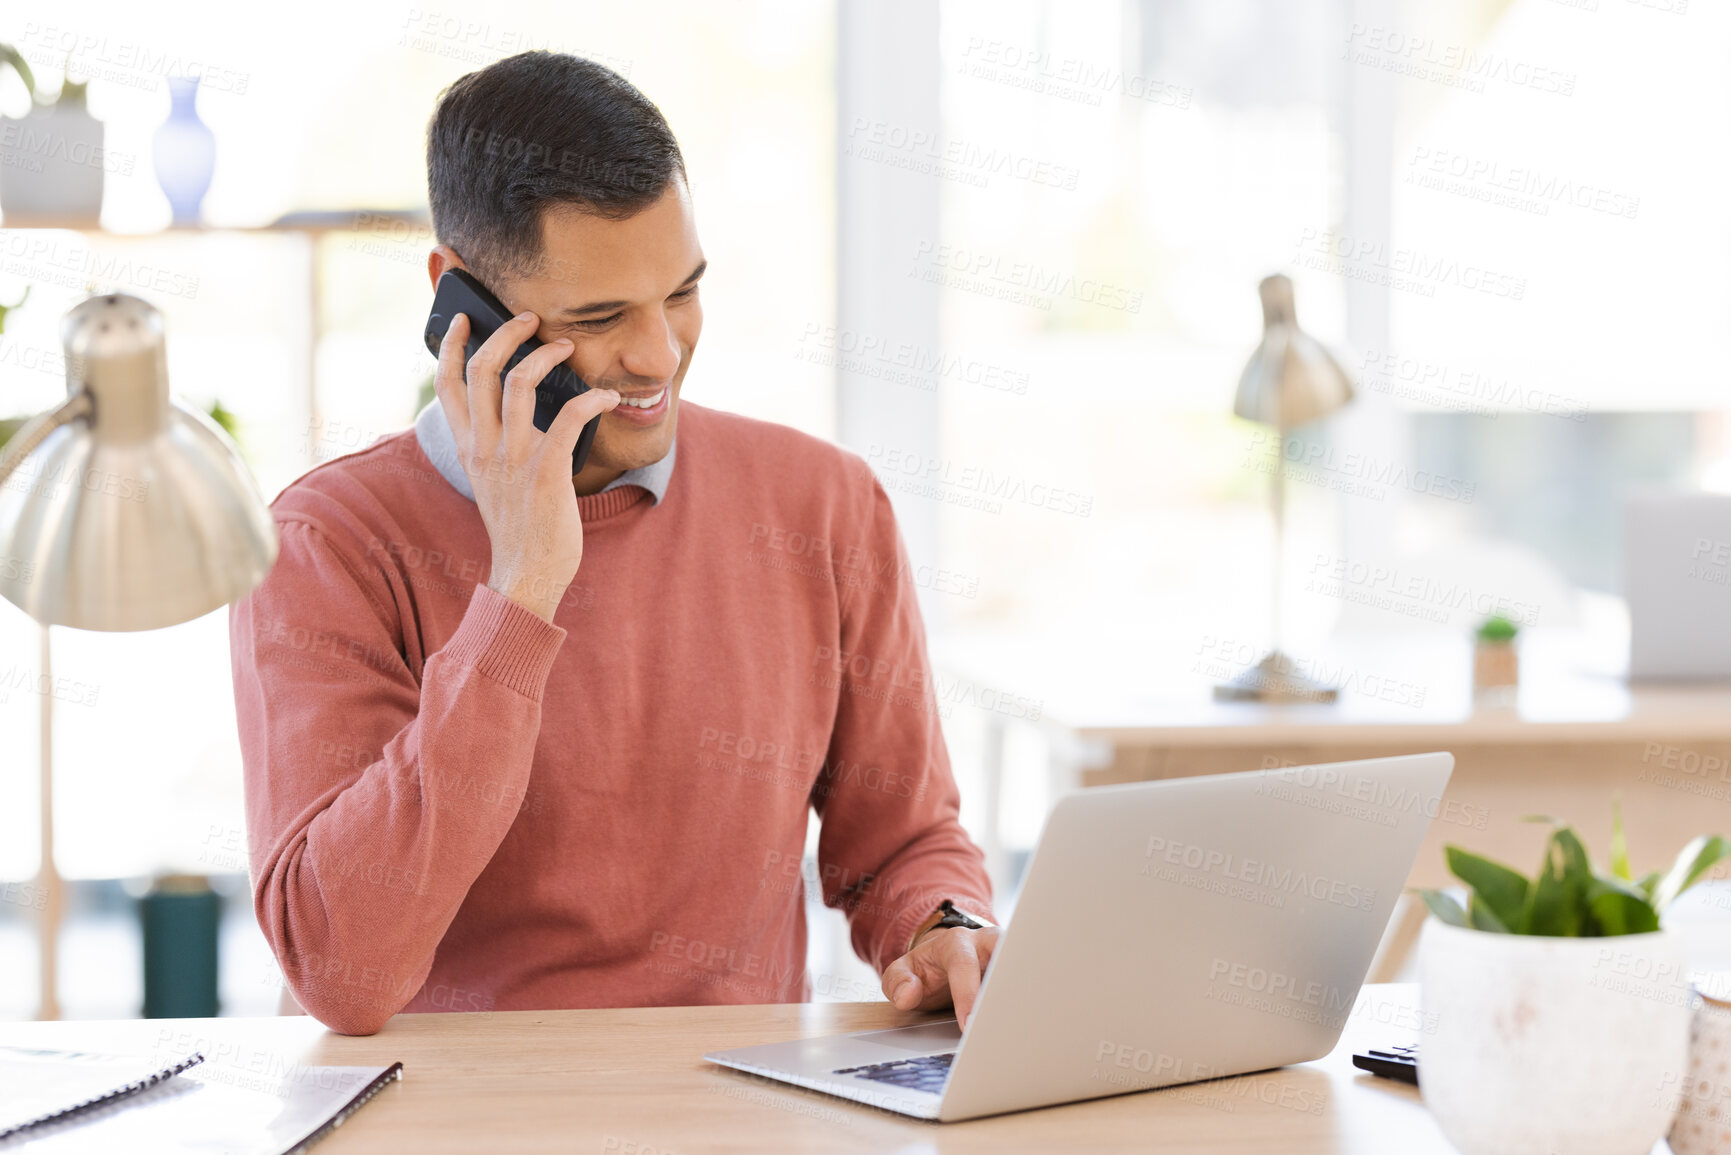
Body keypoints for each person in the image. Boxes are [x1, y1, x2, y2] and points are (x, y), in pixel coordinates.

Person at [228, 50, 998, 1036]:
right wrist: (522, 589)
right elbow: (342, 970)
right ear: (461, 303)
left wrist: (944, 924)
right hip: (451, 1125)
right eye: (599, 318)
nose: (659, 356)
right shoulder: (327, 544)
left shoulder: (823, 506)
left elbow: (902, 844)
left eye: (681, 292)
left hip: (736, 1117)